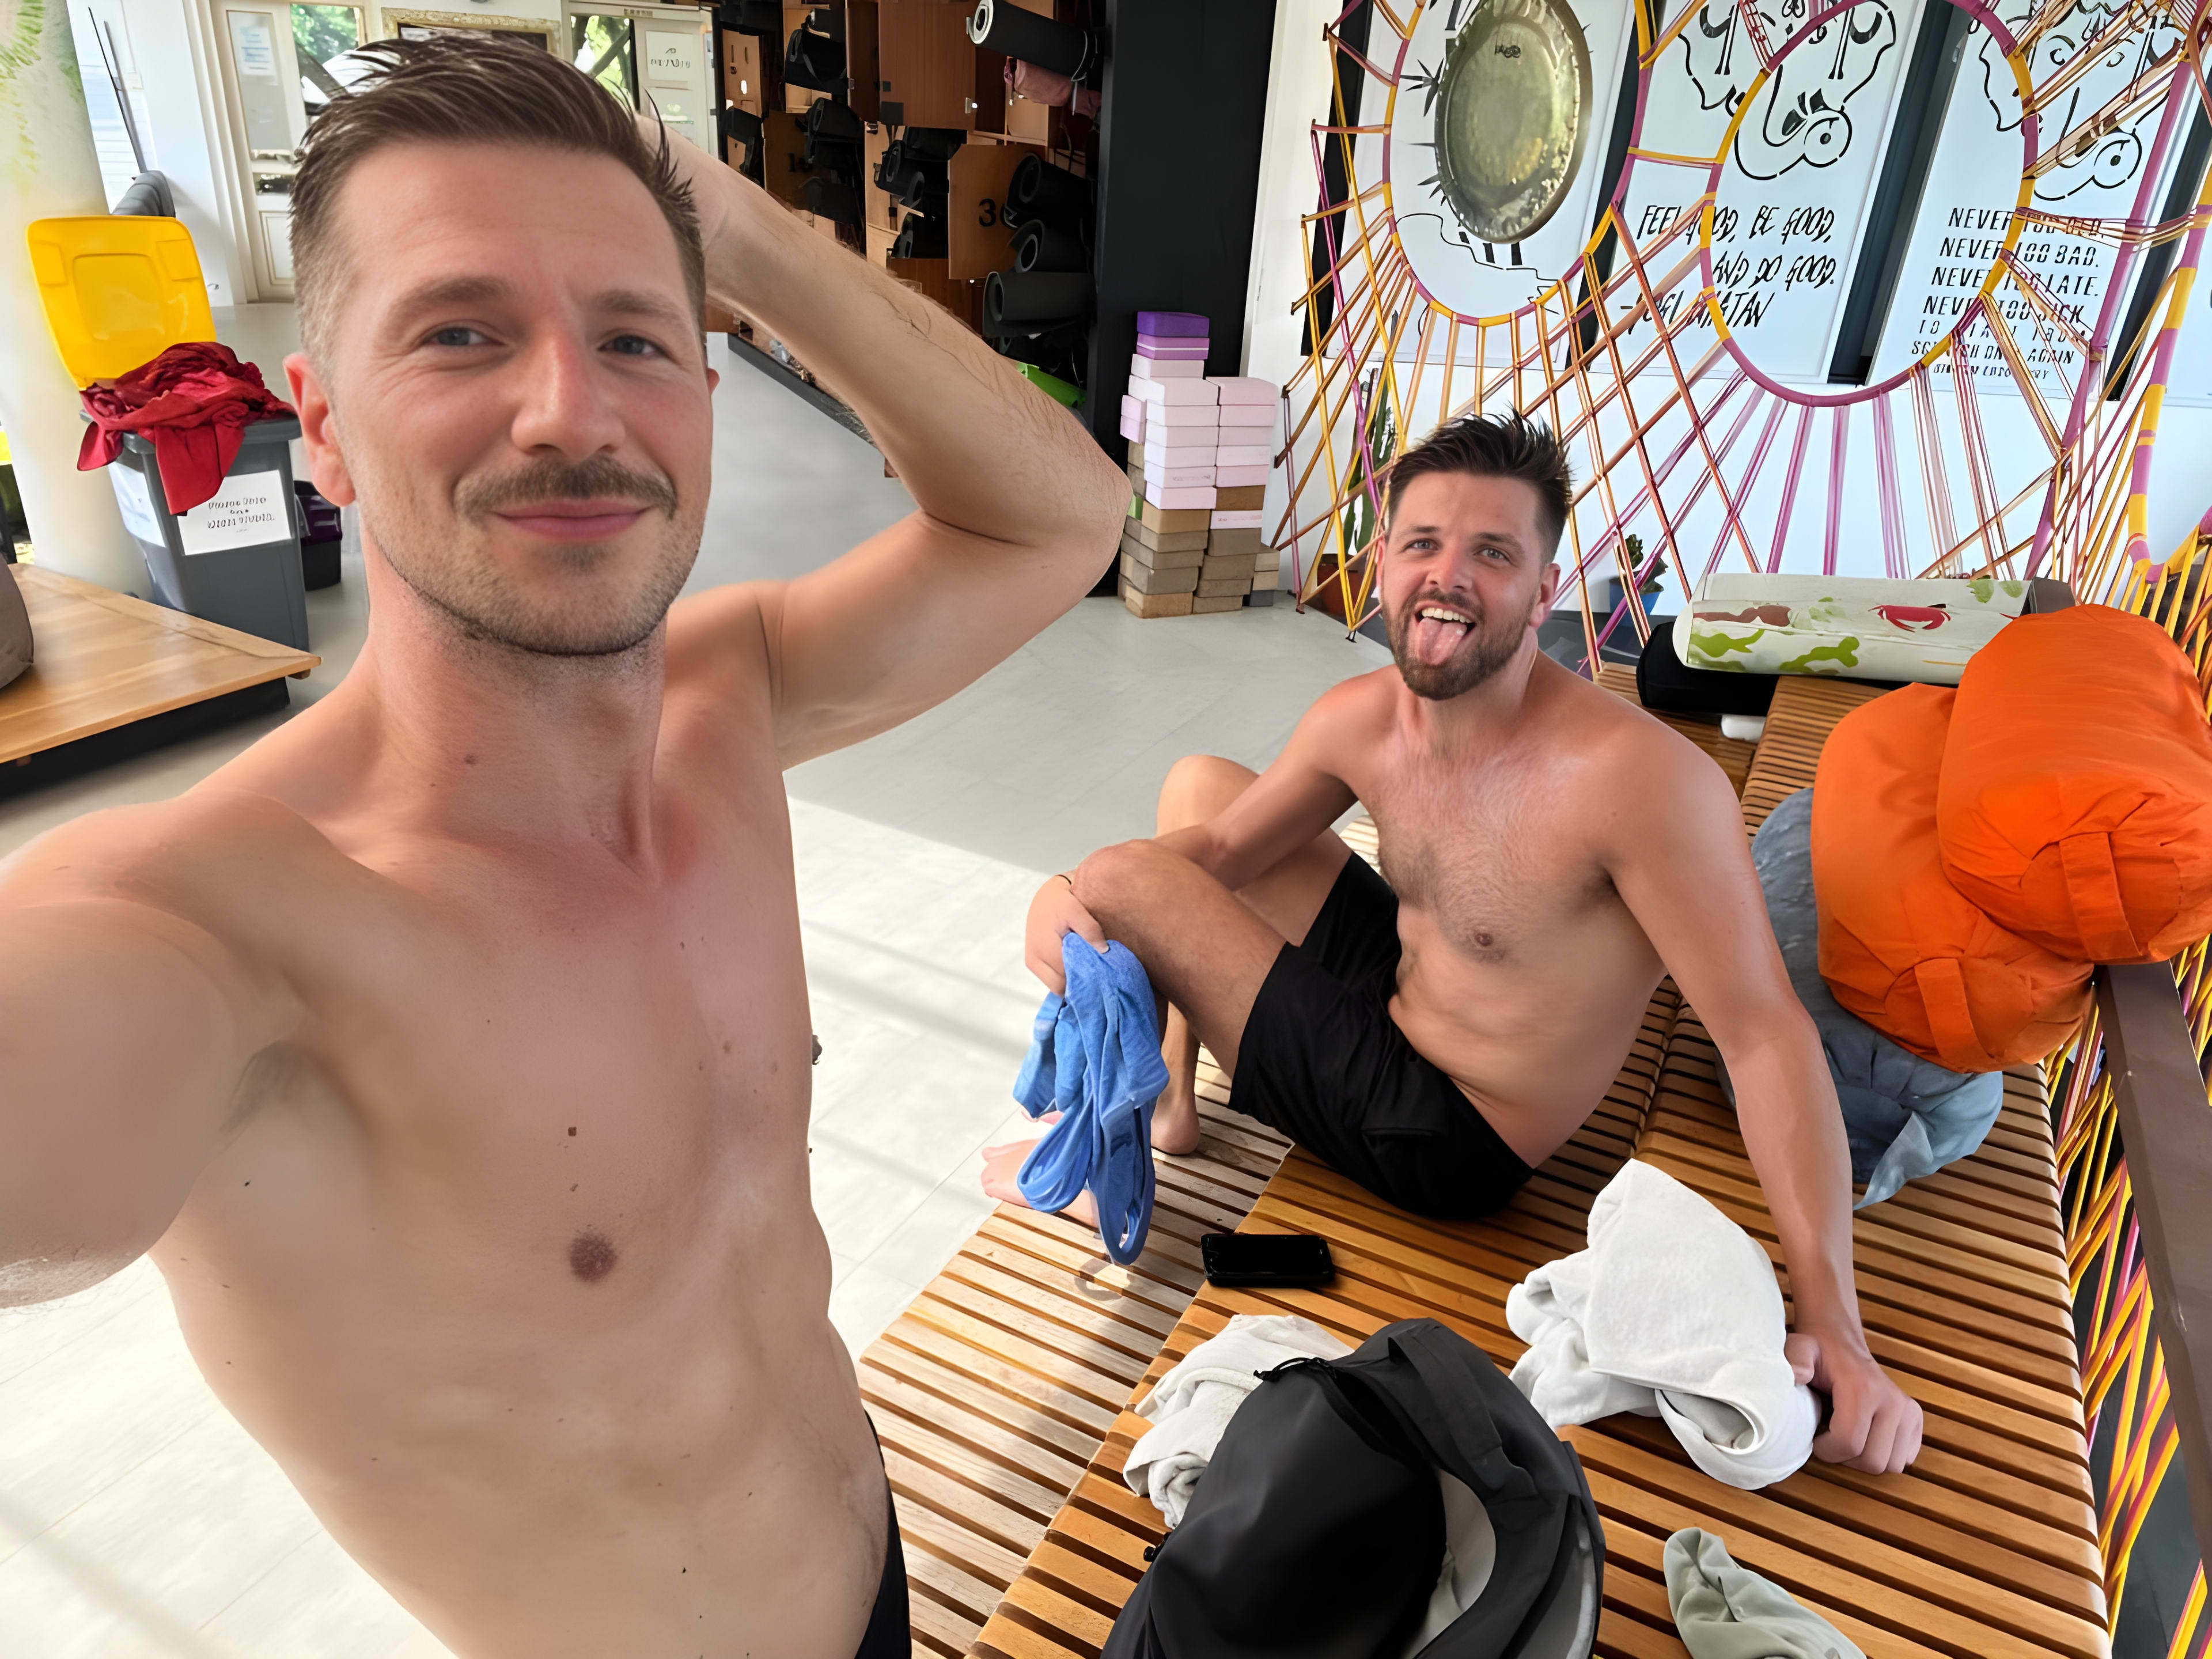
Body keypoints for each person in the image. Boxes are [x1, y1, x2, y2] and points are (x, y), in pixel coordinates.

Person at [0, 39, 1126, 1659]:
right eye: (463, 330)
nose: (571, 409)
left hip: (875, 1579)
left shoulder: (729, 701)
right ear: (316, 425)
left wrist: (723, 222)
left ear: (708, 398)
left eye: (632, 338)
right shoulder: (222, 925)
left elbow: (1060, 522)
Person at [987, 412, 1927, 1476]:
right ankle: (1162, 1105)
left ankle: (1101, 1127)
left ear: (1543, 587)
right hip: (1398, 998)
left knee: (1125, 878)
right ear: (1381, 560)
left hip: (1450, 1138)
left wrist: (1836, 1324)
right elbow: (1221, 847)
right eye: (1424, 543)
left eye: (1494, 553)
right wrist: (1067, 896)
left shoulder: (1641, 784)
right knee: (1196, 789)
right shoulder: (1365, 718)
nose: (1449, 577)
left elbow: (1764, 1035)